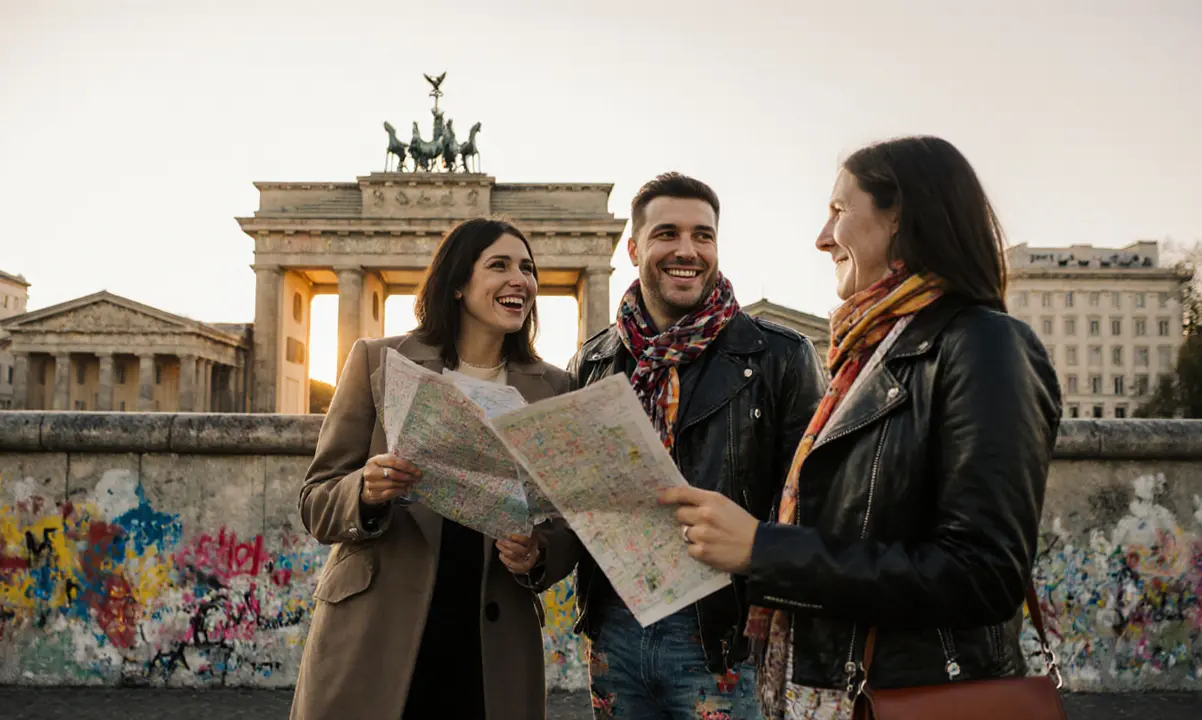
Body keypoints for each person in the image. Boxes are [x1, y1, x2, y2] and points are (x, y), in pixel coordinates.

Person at [660, 136, 1063, 720]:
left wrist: (764, 549)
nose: (822, 237)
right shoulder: (865, 355)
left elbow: (984, 574)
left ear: (900, 214)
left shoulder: (985, 344)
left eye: (839, 211)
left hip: (905, 696)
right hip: (831, 695)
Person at [290, 218, 577, 720]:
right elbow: (316, 500)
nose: (521, 280)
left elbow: (569, 523)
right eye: (500, 265)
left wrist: (538, 553)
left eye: (528, 268)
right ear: (460, 284)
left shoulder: (555, 388)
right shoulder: (377, 360)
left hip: (491, 640)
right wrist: (366, 489)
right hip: (376, 630)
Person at [565, 172, 828, 718]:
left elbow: (816, 510)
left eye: (703, 235)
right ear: (634, 247)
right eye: (667, 233)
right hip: (615, 632)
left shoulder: (781, 356)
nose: (687, 250)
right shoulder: (592, 362)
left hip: (723, 639)